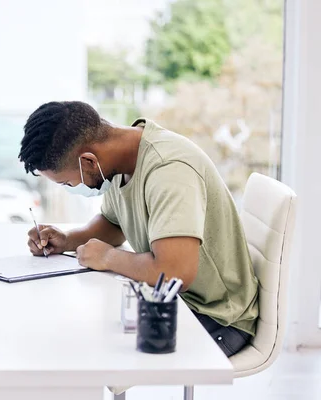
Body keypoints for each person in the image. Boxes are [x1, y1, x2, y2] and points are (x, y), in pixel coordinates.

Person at [19, 101, 258, 357]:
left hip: (215, 317)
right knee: (71, 329)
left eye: (67, 181)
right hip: (169, 302)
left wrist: (109, 258)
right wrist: (67, 239)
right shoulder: (121, 160)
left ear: (88, 160)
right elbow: (114, 224)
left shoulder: (169, 170)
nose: (72, 187)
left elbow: (175, 273)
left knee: (85, 347)